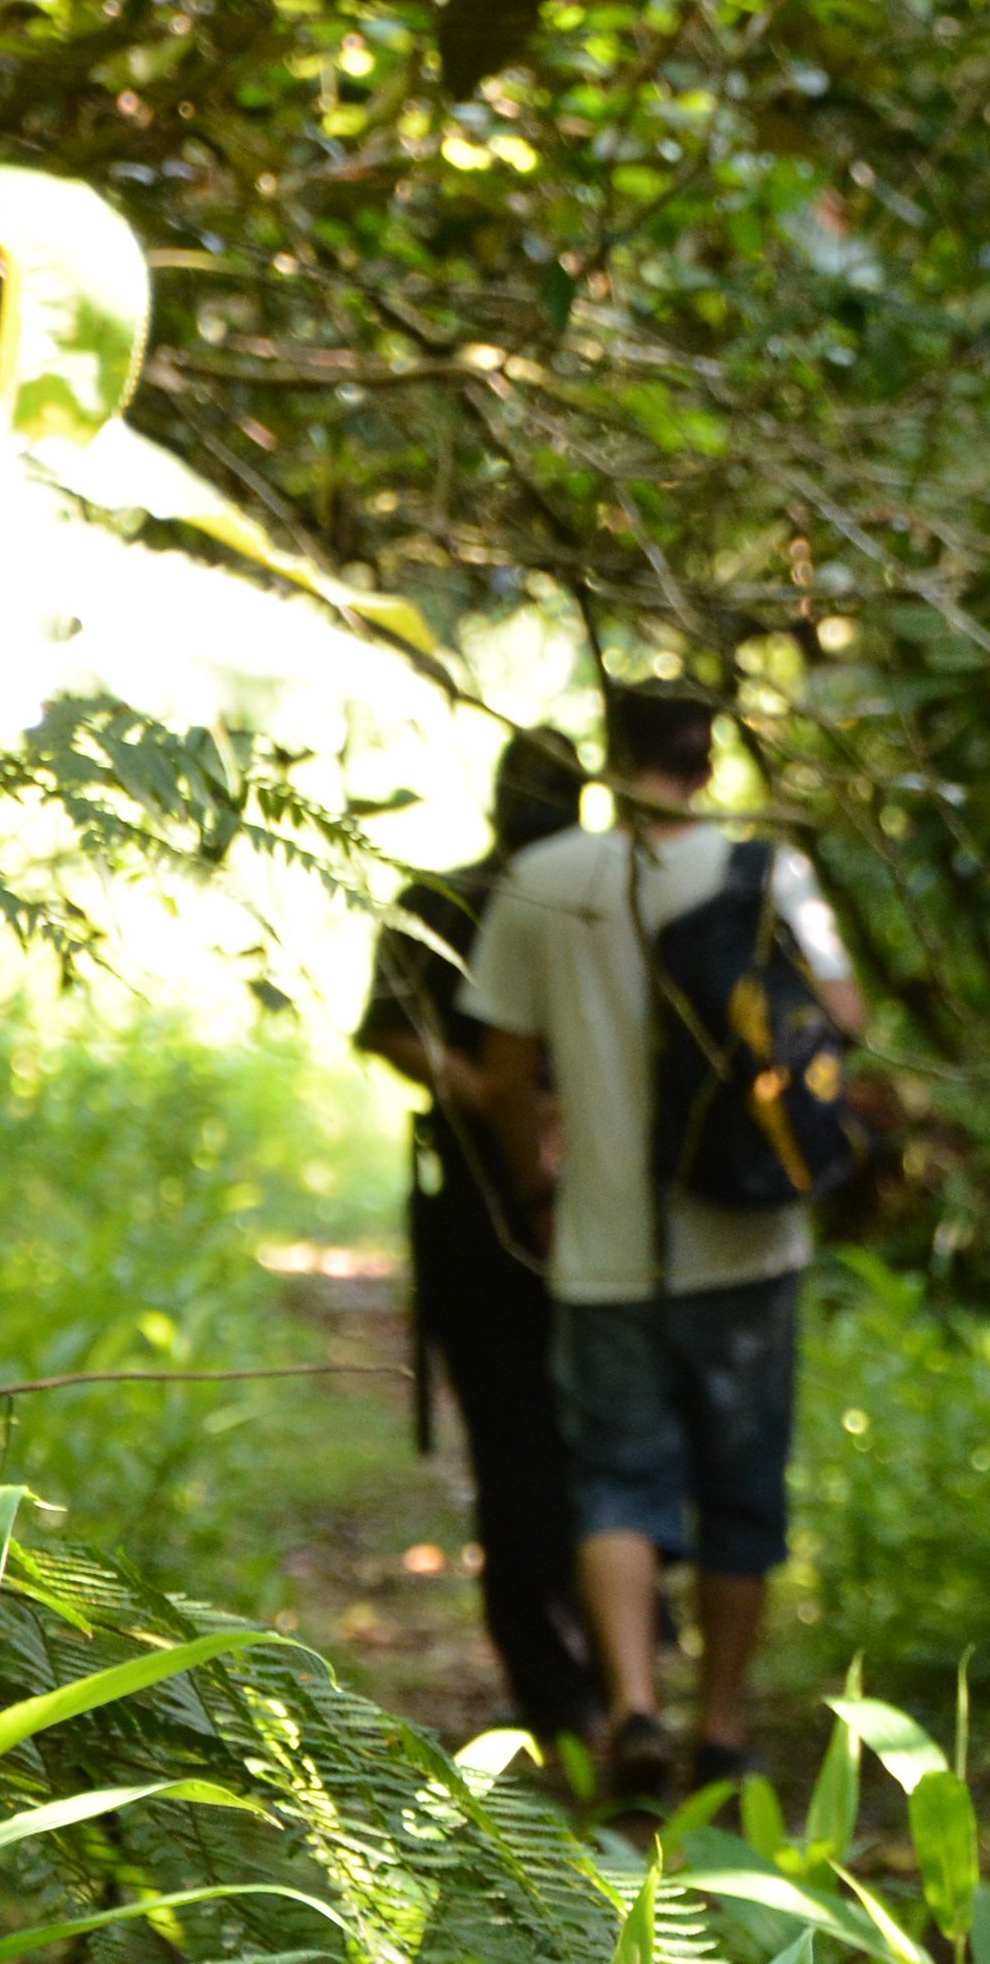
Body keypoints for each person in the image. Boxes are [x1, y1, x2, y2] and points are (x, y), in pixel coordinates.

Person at [462, 682, 868, 1809]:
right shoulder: (765, 872)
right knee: (742, 1486)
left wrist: (532, 1181)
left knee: (615, 1482)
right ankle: (725, 1729)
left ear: (614, 754)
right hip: (748, 1240)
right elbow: (844, 1014)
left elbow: (500, 1072)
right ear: (707, 758)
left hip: (600, 1248)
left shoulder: (546, 881)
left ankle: (635, 1705)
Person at [355, 733, 601, 1746]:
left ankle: (595, 1664)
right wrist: (491, 1096)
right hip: (479, 1204)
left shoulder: (591, 904)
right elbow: (387, 1024)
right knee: (517, 1445)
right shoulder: (448, 900)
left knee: (571, 1440)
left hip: (583, 1207)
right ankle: (557, 1684)